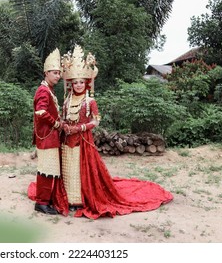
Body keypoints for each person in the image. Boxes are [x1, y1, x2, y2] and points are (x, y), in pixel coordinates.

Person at [57, 44, 173, 219]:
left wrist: (80, 127)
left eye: (81, 82)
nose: (79, 85)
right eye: (75, 82)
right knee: (68, 169)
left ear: (86, 82)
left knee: (83, 170)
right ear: (71, 83)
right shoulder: (66, 100)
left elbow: (96, 121)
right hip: (67, 141)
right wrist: (64, 125)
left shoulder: (90, 101)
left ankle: (82, 199)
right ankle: (69, 198)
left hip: (83, 140)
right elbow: (63, 116)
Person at [30, 48, 65, 215]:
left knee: (49, 169)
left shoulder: (49, 89)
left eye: (59, 73)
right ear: (46, 73)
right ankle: (41, 202)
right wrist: (57, 124)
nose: (57, 76)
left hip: (49, 137)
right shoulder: (43, 90)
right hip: (46, 137)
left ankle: (45, 200)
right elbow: (41, 112)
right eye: (54, 72)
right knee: (46, 170)